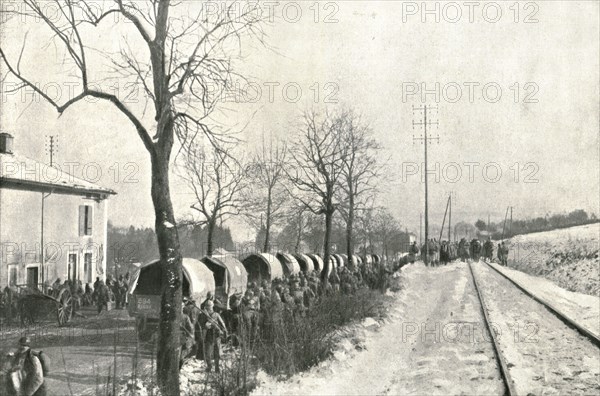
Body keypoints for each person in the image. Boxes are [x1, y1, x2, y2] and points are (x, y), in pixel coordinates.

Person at [199, 300, 227, 373]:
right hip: (208, 335)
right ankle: (209, 366)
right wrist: (205, 326)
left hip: (216, 335)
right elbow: (200, 324)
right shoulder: (202, 315)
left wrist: (224, 331)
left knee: (217, 352)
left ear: (212, 306)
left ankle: (217, 367)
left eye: (210, 306)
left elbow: (222, 323)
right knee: (208, 352)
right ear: (206, 306)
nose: (209, 307)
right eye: (208, 306)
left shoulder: (216, 314)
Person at [179, 304, 194, 370]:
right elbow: (190, 328)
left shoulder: (171, 316)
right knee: (181, 354)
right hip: (181, 337)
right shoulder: (185, 317)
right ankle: (178, 369)